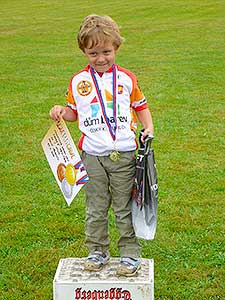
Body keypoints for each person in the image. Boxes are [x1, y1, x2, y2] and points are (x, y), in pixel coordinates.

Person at [49, 14, 154, 277]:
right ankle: (97, 251)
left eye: (106, 51)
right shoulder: (78, 81)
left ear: (116, 48)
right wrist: (62, 111)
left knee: (123, 206)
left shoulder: (127, 78)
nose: (100, 58)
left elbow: (141, 106)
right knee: (95, 207)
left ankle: (129, 253)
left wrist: (148, 127)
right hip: (91, 156)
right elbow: (75, 113)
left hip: (125, 154)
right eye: (93, 53)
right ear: (84, 51)